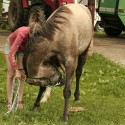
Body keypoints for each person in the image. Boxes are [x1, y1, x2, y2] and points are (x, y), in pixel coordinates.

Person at [4, 26, 29, 111]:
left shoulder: (38, 36)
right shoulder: (22, 34)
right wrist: (16, 69)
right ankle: (10, 102)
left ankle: (19, 101)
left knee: (22, 75)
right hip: (11, 45)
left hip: (21, 49)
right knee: (11, 74)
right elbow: (11, 54)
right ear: (30, 34)